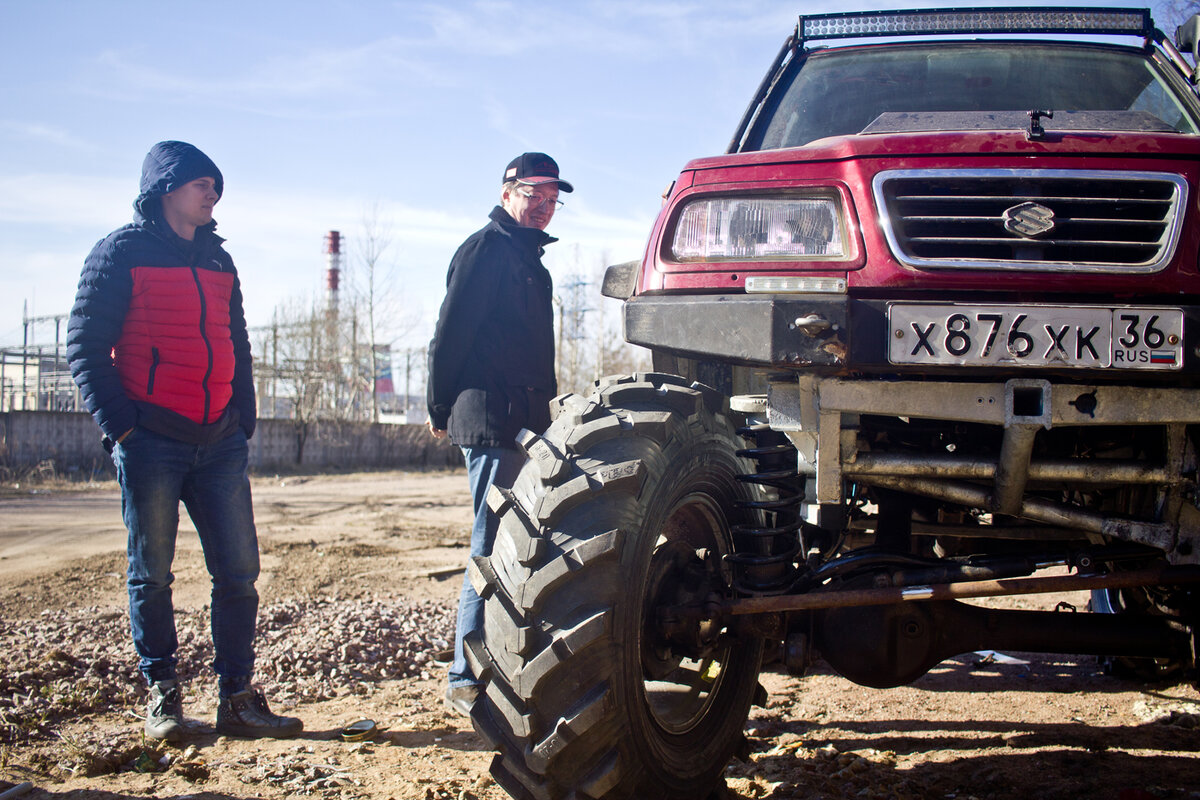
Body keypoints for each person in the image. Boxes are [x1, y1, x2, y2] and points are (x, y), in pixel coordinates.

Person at [67, 140, 302, 741]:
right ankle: (163, 698)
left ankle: (237, 699)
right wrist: (121, 426)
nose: (213, 193)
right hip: (151, 440)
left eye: (217, 186)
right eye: (203, 183)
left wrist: (242, 418)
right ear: (167, 187)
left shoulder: (220, 262)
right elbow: (85, 349)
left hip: (220, 439)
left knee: (239, 573)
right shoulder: (120, 252)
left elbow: (239, 344)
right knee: (152, 573)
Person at [426, 152, 571, 716]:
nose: (543, 207)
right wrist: (440, 405)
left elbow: (538, 354)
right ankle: (465, 675)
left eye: (553, 200)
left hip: (526, 421)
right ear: (507, 191)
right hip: (489, 418)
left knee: (526, 544)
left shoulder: (532, 262)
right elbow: (450, 332)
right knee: (490, 544)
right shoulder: (486, 251)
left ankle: (509, 662)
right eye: (534, 194)